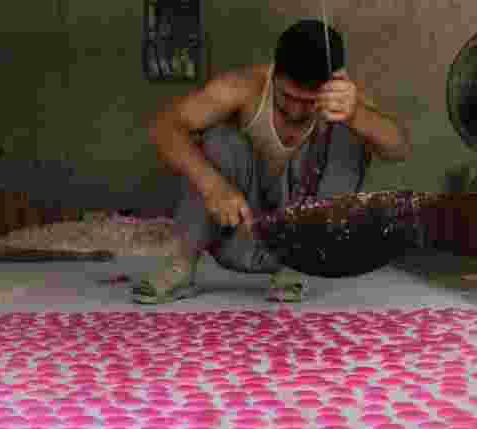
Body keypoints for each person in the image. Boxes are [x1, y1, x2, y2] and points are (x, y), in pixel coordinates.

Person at [133, 19, 411, 304]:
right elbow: (164, 127)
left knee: (350, 133)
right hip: (238, 232)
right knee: (219, 139)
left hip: (305, 244)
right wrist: (213, 186)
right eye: (286, 96)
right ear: (274, 71)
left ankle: (295, 268)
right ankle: (181, 265)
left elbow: (399, 149)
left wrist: (356, 115)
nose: (295, 110)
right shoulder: (243, 87)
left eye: (309, 102)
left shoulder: (347, 100)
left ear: (336, 81)